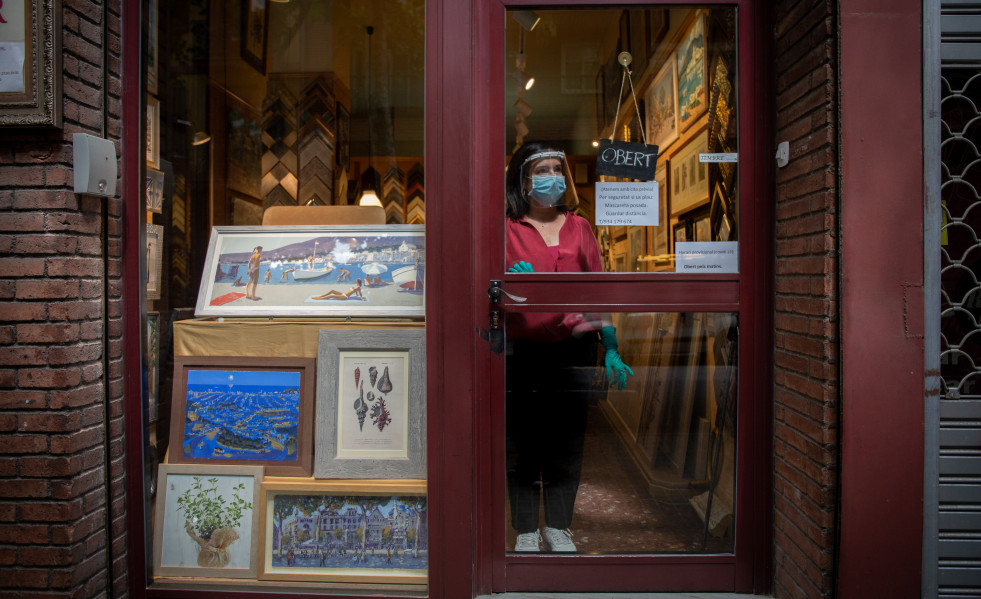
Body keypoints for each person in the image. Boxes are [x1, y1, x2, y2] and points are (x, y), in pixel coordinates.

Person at [504, 142, 634, 553]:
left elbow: (599, 292)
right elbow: (488, 292)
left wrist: (610, 345)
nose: (553, 177)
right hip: (523, 354)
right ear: (523, 181)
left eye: (557, 169)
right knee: (524, 444)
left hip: (573, 351)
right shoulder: (505, 229)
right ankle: (526, 528)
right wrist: (509, 282)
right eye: (542, 170)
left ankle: (559, 526)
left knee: (567, 444)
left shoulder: (581, 228)